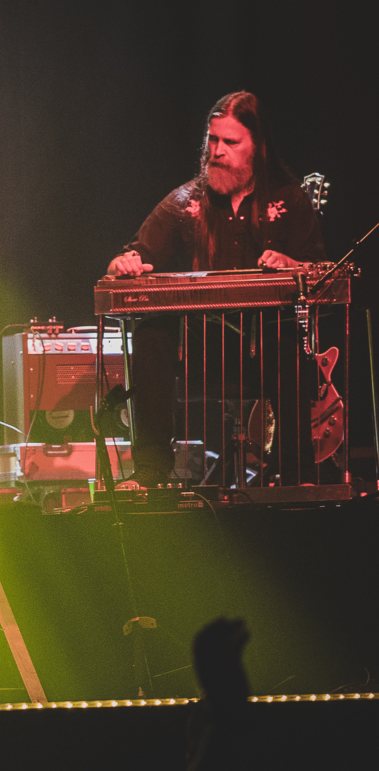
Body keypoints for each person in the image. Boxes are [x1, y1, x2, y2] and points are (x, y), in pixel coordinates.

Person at [106, 91, 325, 486]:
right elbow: (131, 255)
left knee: (289, 340)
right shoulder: (185, 202)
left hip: (264, 350)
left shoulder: (290, 200)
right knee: (151, 334)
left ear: (256, 148)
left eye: (230, 142)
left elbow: (320, 275)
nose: (217, 151)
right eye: (212, 140)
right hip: (200, 352)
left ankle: (297, 474)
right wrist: (125, 264)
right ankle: (152, 469)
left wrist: (293, 266)